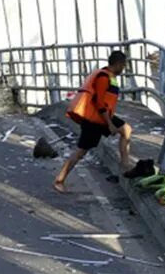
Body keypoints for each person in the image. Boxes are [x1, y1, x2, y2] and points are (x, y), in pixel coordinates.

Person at [53, 51, 146, 193]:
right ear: (118, 64)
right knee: (80, 152)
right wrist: (109, 124)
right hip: (95, 120)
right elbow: (99, 102)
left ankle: (125, 164)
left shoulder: (109, 76)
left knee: (126, 130)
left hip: (102, 117)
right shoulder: (103, 77)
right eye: (123, 65)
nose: (123, 69)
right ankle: (59, 180)